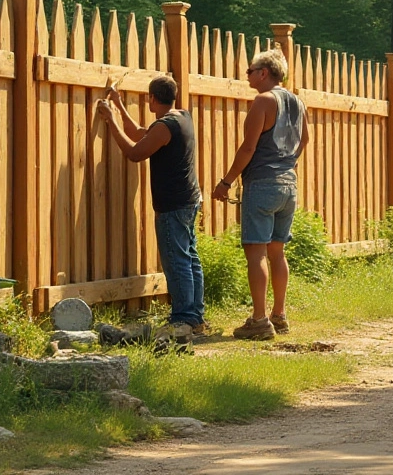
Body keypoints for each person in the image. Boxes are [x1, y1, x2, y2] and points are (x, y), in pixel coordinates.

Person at [96, 76, 205, 341]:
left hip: (173, 205)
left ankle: (183, 319)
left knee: (177, 261)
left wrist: (110, 119)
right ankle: (195, 317)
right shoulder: (181, 117)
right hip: (190, 200)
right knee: (189, 258)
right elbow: (141, 135)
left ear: (152, 98)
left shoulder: (165, 125)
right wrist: (119, 107)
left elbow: (134, 152)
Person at [212, 48, 309, 341]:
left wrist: (226, 182)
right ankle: (279, 315)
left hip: (263, 183)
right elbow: (305, 139)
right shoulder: (297, 102)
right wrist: (290, 163)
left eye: (251, 71)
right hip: (288, 184)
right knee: (277, 251)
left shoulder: (264, 101)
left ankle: (258, 319)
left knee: (256, 253)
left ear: (264, 73)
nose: (248, 75)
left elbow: (248, 148)